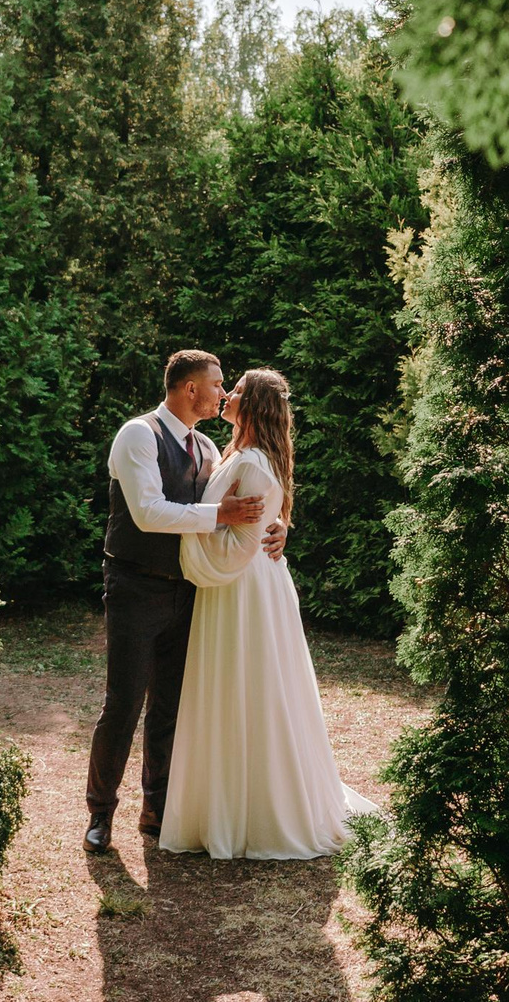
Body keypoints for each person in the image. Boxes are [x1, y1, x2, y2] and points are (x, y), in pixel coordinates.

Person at [157, 366, 379, 859]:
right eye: (226, 386)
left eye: (235, 389)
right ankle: (225, 807)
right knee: (238, 686)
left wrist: (195, 557)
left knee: (247, 686)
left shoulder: (252, 463)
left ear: (253, 405)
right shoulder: (234, 454)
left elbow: (236, 547)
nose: (227, 394)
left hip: (242, 589)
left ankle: (251, 813)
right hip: (243, 583)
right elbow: (247, 526)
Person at [84, 350, 288, 852]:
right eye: (217, 384)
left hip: (189, 591)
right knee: (124, 703)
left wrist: (277, 525)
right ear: (190, 388)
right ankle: (100, 815)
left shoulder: (206, 447)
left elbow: (249, 498)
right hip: (135, 588)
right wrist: (221, 514)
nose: (222, 393)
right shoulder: (139, 435)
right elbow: (151, 512)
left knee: (171, 706)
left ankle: (156, 809)